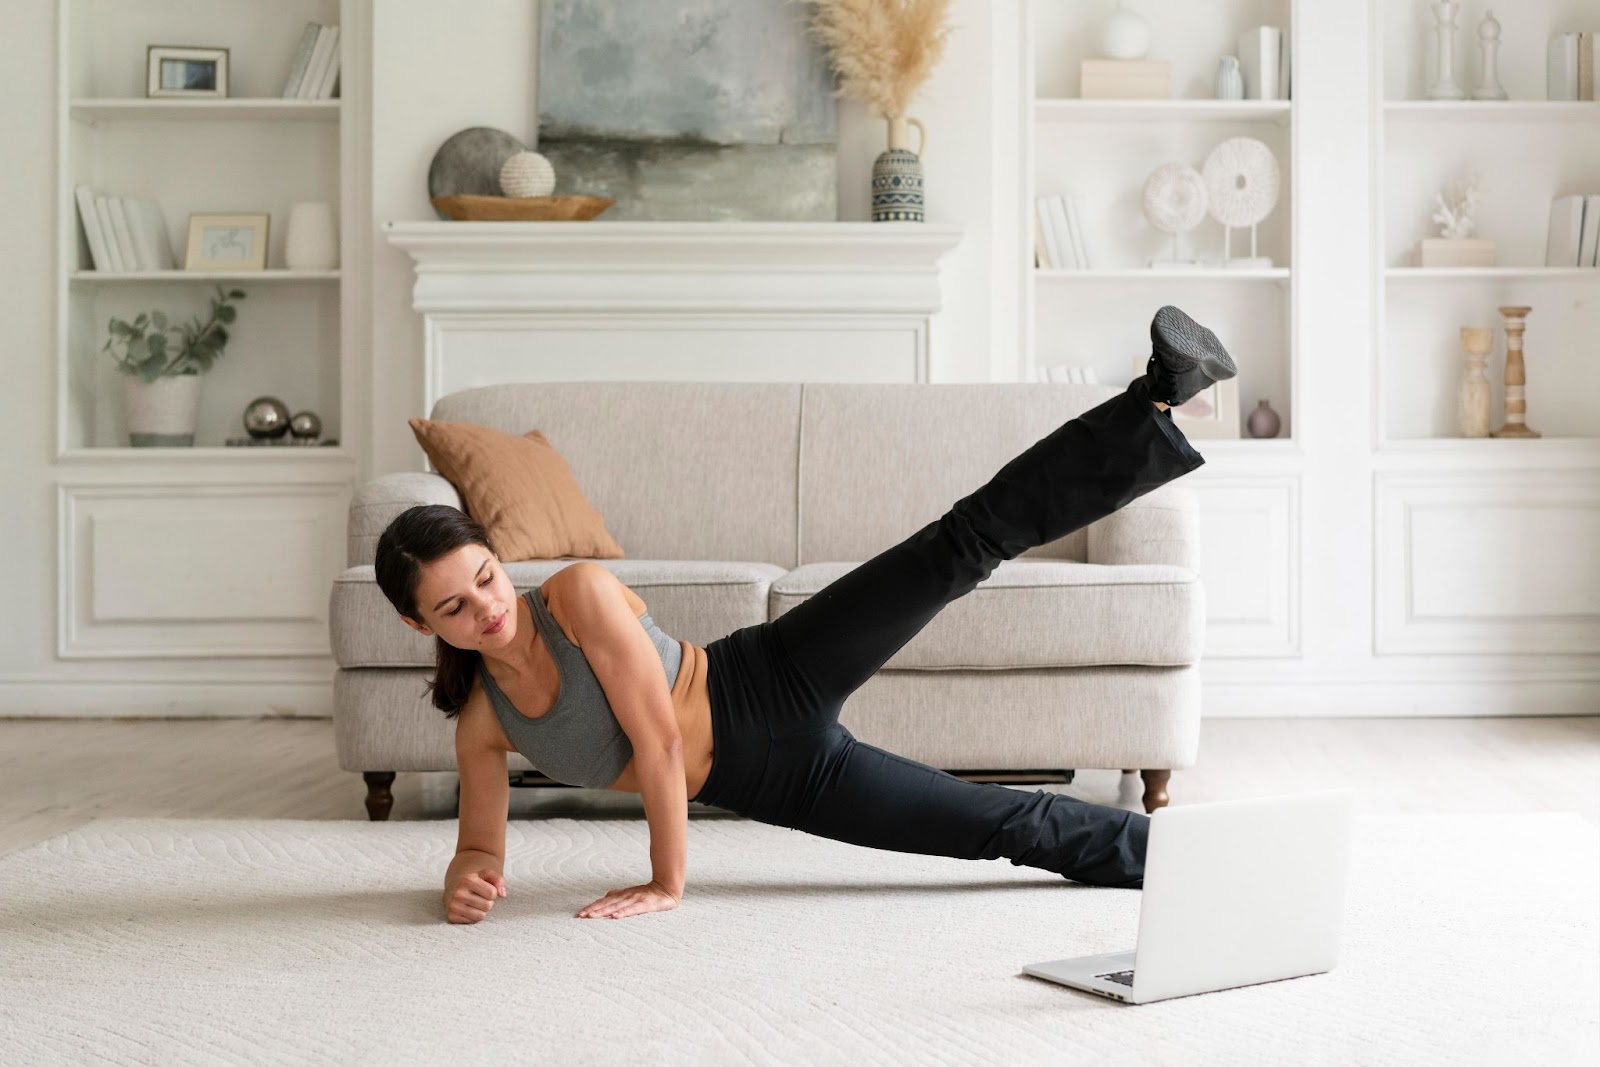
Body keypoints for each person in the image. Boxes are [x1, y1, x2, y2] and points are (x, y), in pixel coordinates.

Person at [374, 304, 1236, 925]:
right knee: (991, 826)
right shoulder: (482, 724)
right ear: (423, 626)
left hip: (765, 672)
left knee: (959, 543)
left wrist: (666, 881)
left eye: (486, 576)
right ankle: (1193, 859)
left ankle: (1155, 401)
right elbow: (481, 847)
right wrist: (467, 879)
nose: (486, 607)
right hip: (777, 780)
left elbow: (662, 742)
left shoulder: (575, 593)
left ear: (497, 557)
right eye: (454, 605)